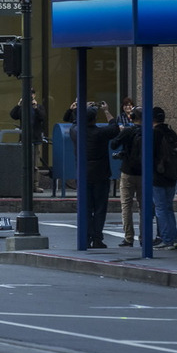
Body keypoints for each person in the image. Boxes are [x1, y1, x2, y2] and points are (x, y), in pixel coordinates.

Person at [69, 104, 119, 248]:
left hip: (83, 174)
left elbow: (74, 123)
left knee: (85, 207)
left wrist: (77, 109)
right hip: (100, 174)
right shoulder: (101, 133)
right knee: (100, 208)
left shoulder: (75, 132)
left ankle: (86, 235)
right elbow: (114, 126)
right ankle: (97, 237)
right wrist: (106, 111)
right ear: (95, 119)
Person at [110, 106, 143, 247]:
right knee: (144, 206)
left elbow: (113, 144)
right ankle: (144, 236)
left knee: (126, 205)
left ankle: (129, 237)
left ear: (132, 117)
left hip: (128, 170)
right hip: (144, 173)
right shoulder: (149, 131)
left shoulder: (128, 131)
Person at [152, 107, 177, 250]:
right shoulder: (171, 132)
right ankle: (174, 237)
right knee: (168, 207)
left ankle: (167, 239)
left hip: (158, 174)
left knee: (160, 208)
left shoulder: (154, 133)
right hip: (171, 174)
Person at [10, 88, 47, 192]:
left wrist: (35, 107)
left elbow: (42, 117)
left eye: (32, 95)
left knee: (35, 165)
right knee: (23, 163)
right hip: (24, 139)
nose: (30, 97)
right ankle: (23, 185)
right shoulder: (22, 107)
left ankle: (35, 186)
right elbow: (13, 115)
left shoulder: (39, 107)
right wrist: (18, 105)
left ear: (34, 96)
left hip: (35, 139)